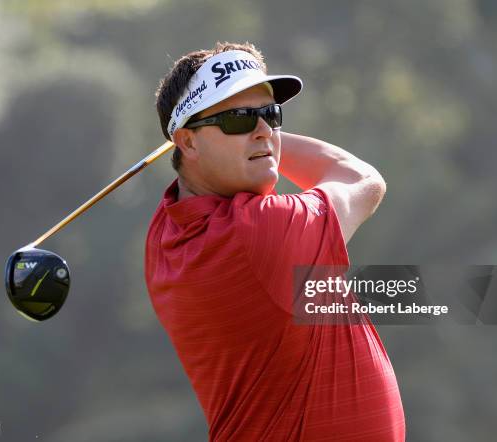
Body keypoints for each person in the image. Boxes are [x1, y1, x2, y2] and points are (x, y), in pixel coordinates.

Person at [145, 42, 405, 441]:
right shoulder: (261, 232)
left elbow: (195, 172)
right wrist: (264, 146)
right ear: (188, 143)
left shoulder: (164, 234)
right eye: (237, 119)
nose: (265, 130)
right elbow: (361, 179)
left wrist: (246, 138)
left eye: (271, 115)